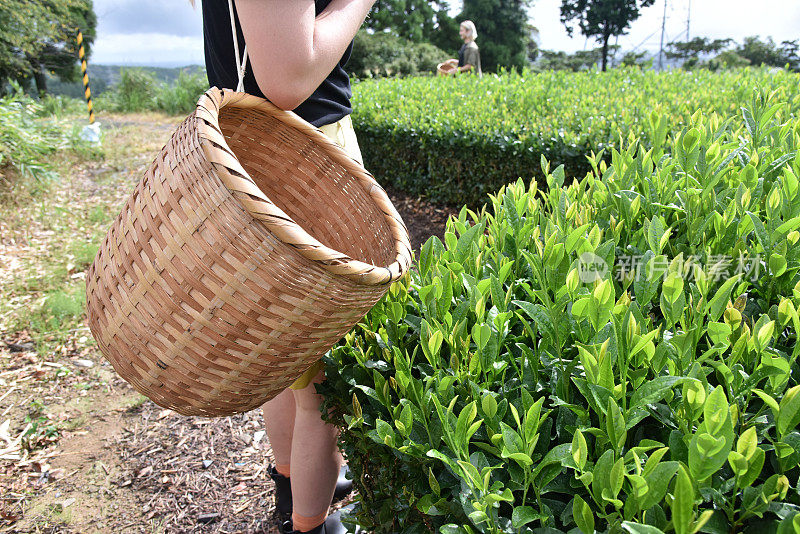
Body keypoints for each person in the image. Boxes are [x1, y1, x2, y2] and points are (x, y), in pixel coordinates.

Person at [200, 1, 373, 533]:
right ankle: (310, 523)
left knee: (287, 365)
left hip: (257, 145)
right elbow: (288, 77)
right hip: (301, 153)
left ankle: (291, 487)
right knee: (323, 382)